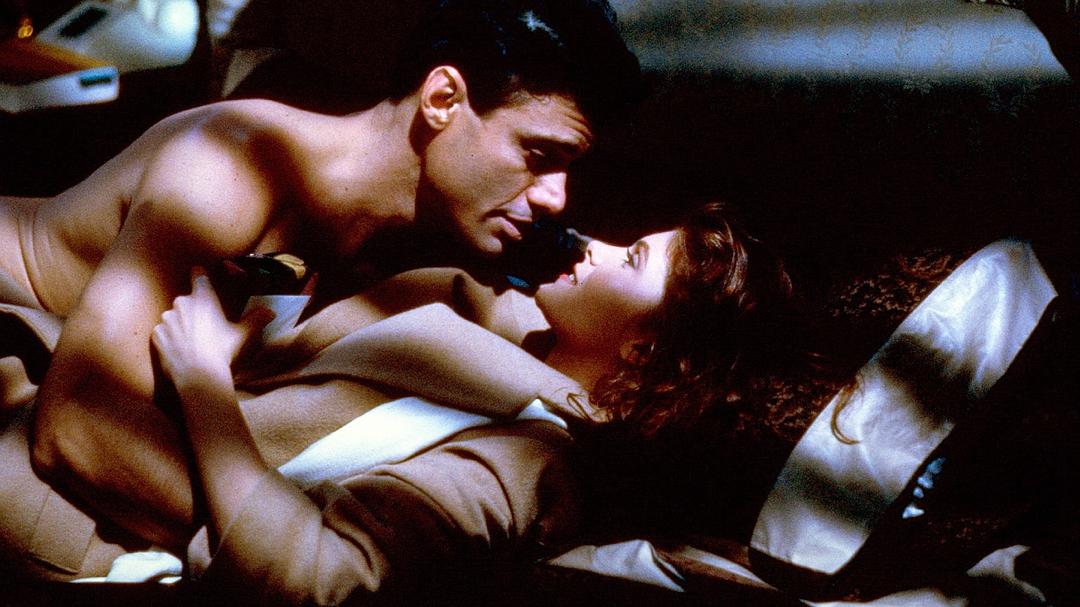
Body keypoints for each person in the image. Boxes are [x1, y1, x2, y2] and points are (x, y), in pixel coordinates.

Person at [0, 0, 642, 552]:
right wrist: (276, 546)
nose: (556, 197)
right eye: (538, 155)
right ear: (442, 99)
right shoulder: (235, 166)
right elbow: (77, 425)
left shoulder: (422, 239)